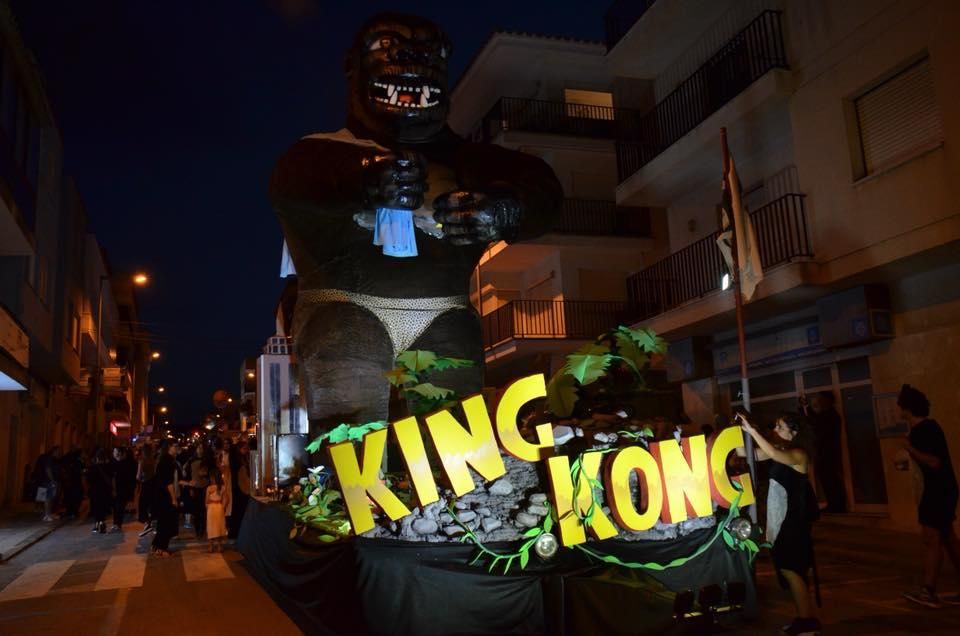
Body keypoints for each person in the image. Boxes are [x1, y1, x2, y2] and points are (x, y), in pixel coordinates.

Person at [739, 412, 820, 635]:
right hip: (781, 519)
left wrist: (753, 431)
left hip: (793, 521)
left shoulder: (798, 454)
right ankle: (804, 618)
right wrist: (735, 435)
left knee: (792, 570)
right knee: (789, 571)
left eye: (780, 427)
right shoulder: (782, 450)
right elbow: (751, 454)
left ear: (794, 433)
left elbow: (771, 452)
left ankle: (807, 623)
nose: (775, 430)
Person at [898, 385, 960, 608]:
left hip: (938, 490)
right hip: (942, 488)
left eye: (900, 406)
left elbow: (934, 462)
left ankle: (928, 591)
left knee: (932, 539)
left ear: (907, 408)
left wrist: (909, 448)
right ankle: (930, 590)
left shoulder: (926, 429)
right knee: (948, 539)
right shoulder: (923, 429)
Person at [801, 391, 846, 513]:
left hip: (827, 453)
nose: (818, 403)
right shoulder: (828, 415)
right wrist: (805, 407)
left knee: (830, 479)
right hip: (826, 453)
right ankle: (835, 504)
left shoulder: (830, 416)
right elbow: (814, 421)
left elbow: (814, 423)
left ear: (827, 401)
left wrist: (806, 409)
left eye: (820, 400)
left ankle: (837, 505)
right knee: (828, 479)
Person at [152, 440, 180, 557]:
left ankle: (157, 545)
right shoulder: (168, 460)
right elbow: (168, 482)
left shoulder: (164, 459)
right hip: (165, 496)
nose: (177, 448)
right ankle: (161, 548)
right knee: (166, 523)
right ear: (169, 447)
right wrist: (173, 498)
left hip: (161, 495)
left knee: (163, 522)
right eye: (175, 446)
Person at [182, 443, 214, 539]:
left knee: (204, 509)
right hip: (195, 487)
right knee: (196, 510)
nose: (200, 449)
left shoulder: (207, 461)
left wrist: (206, 474)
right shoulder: (191, 460)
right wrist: (190, 488)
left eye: (201, 448)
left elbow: (211, 474)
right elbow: (188, 475)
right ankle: (197, 529)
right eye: (198, 447)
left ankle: (202, 529)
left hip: (205, 487)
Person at [86, 448, 113, 534]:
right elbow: (112, 478)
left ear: (96, 458)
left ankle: (97, 524)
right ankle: (102, 523)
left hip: (95, 490)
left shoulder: (92, 467)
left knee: (96, 507)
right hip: (105, 490)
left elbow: (88, 480)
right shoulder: (108, 467)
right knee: (103, 507)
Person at [34, 446, 63, 521]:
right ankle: (47, 515)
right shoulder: (50, 459)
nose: (60, 453)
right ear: (54, 451)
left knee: (46, 497)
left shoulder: (51, 459)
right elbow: (48, 469)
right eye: (59, 451)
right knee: (48, 498)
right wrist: (52, 480)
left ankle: (47, 513)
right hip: (47, 481)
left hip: (44, 481)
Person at [206, 466, 230, 553]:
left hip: (211, 508)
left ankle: (211, 546)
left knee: (211, 527)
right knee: (219, 526)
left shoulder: (209, 488)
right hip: (219, 507)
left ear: (212, 478)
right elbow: (227, 499)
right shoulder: (223, 488)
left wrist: (207, 506)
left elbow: (206, 500)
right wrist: (223, 507)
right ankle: (220, 546)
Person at [137, 443, 157, 536]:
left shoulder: (142, 461)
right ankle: (152, 522)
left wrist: (140, 478)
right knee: (152, 504)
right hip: (154, 484)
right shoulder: (154, 460)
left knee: (143, 504)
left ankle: (147, 523)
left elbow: (138, 476)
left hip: (145, 484)